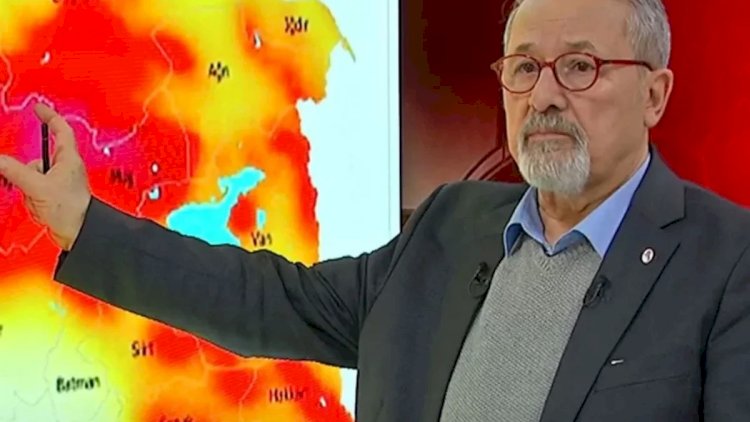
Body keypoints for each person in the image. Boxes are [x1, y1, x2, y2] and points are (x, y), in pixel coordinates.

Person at [1, 0, 750, 420]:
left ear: (655, 94)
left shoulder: (727, 262)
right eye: (524, 68)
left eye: (580, 66)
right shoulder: (451, 224)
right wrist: (83, 222)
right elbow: (272, 300)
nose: (545, 95)